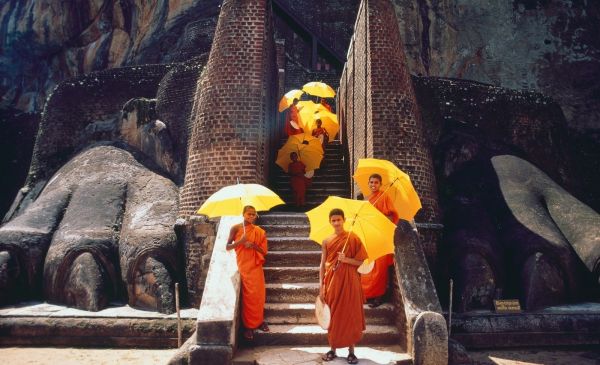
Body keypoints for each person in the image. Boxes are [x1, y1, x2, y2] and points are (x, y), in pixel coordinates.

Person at [320, 208, 368, 364]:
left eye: (338, 220)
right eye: (333, 220)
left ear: (344, 220)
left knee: (350, 314)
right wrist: (321, 285)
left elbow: (361, 262)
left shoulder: (353, 238)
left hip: (350, 282)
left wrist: (346, 259)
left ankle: (351, 352)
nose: (336, 223)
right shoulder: (326, 240)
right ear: (330, 222)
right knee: (332, 314)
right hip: (332, 281)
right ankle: (332, 348)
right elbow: (322, 264)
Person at [226, 205, 269, 340]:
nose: (251, 216)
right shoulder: (236, 228)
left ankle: (259, 321)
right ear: (243, 214)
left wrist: (253, 245)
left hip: (256, 266)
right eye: (249, 214)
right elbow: (227, 247)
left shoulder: (259, 231)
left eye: (253, 214)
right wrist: (240, 241)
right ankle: (249, 326)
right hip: (244, 265)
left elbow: (264, 251)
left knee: (259, 294)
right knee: (248, 295)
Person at [360, 173, 399, 308]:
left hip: (381, 237)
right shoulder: (369, 199)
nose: (373, 185)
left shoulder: (384, 196)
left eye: (376, 182)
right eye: (371, 182)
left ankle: (379, 296)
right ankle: (369, 295)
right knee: (369, 269)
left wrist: (378, 217)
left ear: (380, 184)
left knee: (380, 269)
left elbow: (390, 217)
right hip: (371, 237)